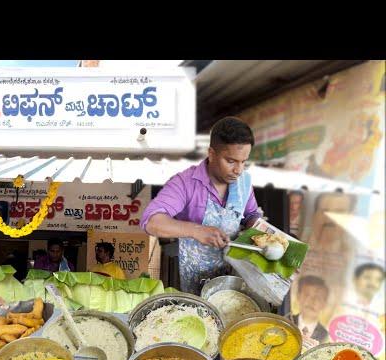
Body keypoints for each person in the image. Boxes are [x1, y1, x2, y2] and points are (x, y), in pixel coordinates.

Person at [140, 117, 261, 294]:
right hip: (195, 279)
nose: (239, 170)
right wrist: (197, 230)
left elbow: (251, 214)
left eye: (244, 162)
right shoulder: (185, 183)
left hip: (234, 275)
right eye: (231, 161)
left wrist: (262, 235)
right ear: (211, 154)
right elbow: (151, 221)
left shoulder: (244, 181)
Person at [289, 275, 330, 345]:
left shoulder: (326, 334)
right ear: (298, 296)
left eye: (318, 298)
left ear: (324, 304)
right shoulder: (287, 319)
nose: (312, 301)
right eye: (307, 295)